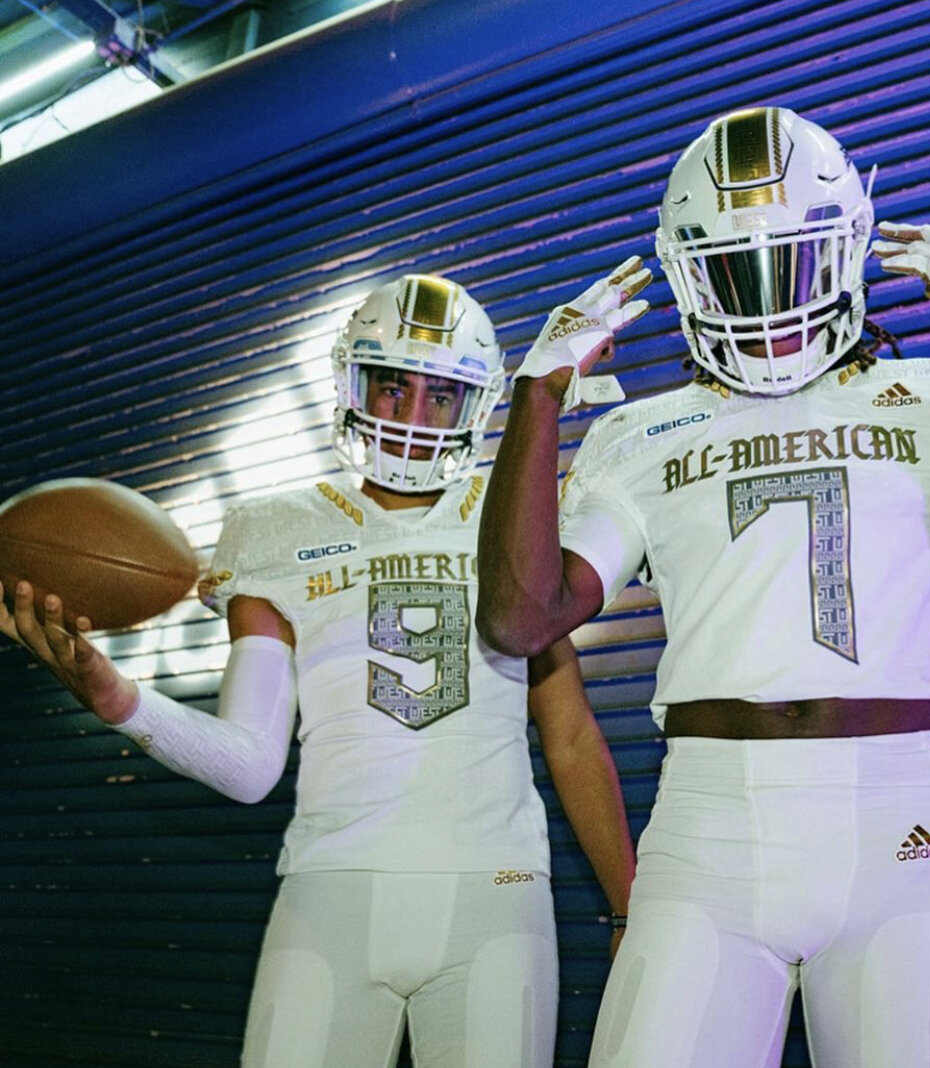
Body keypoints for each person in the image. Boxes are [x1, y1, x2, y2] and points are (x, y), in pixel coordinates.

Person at [474, 106, 930, 1068]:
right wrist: (536, 395)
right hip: (706, 827)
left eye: (791, 259)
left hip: (895, 823)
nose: (769, 296)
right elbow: (521, 617)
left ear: (845, 250)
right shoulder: (641, 435)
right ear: (690, 274)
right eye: (737, 269)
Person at [0, 273, 635, 1068]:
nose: (411, 417)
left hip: (495, 896)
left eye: (440, 396)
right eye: (392, 387)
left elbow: (570, 734)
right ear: (349, 383)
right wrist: (115, 695)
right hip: (328, 894)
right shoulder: (271, 530)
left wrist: (627, 907)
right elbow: (249, 766)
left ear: (474, 406)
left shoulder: (507, 511)